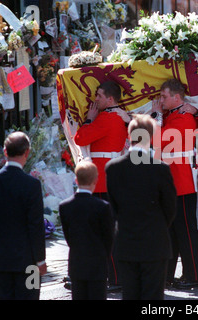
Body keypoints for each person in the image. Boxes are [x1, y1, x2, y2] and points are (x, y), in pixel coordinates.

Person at [105, 114, 177, 300]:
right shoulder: (160, 169)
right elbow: (170, 207)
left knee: (130, 294)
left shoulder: (113, 168)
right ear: (150, 137)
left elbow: (113, 207)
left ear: (129, 136)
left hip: (126, 241)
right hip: (155, 241)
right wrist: (159, 226)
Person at [151, 79, 198, 289]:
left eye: (164, 97)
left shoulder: (183, 117)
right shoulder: (175, 114)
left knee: (186, 230)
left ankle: (197, 275)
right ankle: (169, 275)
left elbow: (158, 140)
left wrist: (156, 116)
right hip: (174, 180)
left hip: (182, 181)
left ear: (177, 97)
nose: (160, 100)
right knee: (173, 231)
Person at [0, 131, 47, 300]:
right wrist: (41, 260)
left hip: (0, 259)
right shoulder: (32, 185)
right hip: (29, 261)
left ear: (5, 151)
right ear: (27, 152)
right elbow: (36, 225)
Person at [73, 80, 127, 290]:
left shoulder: (106, 118)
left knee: (106, 232)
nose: (95, 100)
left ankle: (115, 277)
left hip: (103, 181)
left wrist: (88, 120)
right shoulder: (117, 116)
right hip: (111, 178)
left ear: (110, 99)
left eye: (99, 96)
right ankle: (113, 275)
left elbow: (80, 138)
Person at [59, 161, 115, 300]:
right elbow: (108, 237)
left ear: (76, 180)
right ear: (96, 180)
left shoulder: (64, 206)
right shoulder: (102, 206)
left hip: (77, 262)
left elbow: (68, 236)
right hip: (97, 263)